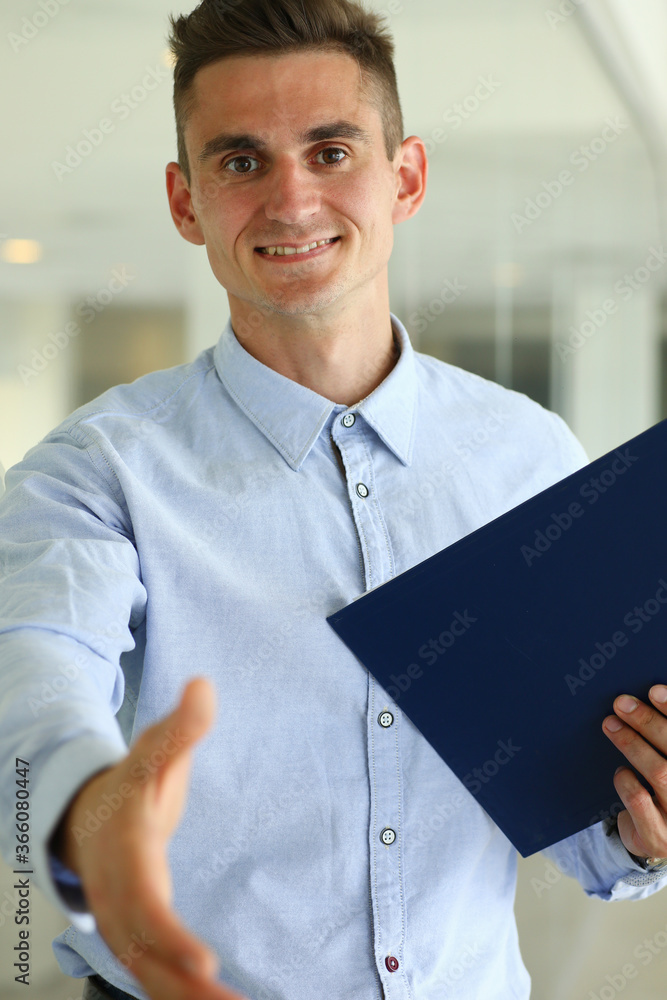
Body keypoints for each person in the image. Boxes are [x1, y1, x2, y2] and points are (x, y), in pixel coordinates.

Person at [2, 1, 667, 999]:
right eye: (239, 161)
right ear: (186, 204)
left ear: (405, 178)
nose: (289, 199)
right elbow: (37, 675)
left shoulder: (527, 456)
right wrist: (92, 815)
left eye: (330, 149)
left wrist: (639, 816)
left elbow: (581, 835)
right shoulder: (95, 471)